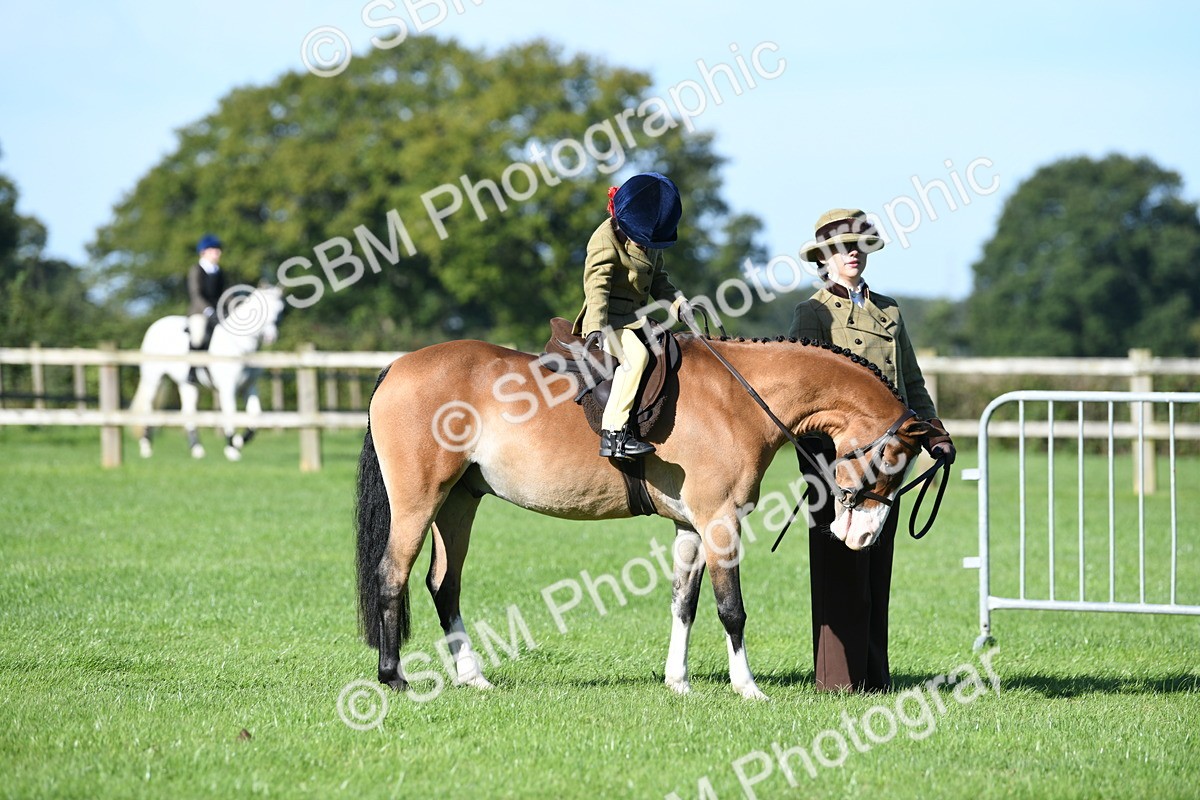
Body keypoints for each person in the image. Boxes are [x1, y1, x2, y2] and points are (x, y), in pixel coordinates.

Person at [788, 208, 955, 692]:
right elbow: (802, 395)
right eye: (842, 248)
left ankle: (876, 678)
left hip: (890, 458)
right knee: (840, 569)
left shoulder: (890, 310)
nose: (853, 254)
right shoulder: (812, 313)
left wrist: (934, 432)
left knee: (876, 569)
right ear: (824, 258)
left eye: (859, 245)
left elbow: (912, 382)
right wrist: (819, 465)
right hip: (834, 460)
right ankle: (839, 680)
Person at [572, 173, 691, 460]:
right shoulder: (604, 240)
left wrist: (679, 305)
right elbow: (597, 287)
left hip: (637, 319)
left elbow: (659, 280)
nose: (645, 246)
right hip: (609, 321)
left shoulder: (650, 238)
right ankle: (614, 434)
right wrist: (595, 327)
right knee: (636, 357)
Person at [187, 234, 227, 383]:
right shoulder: (196, 270)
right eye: (214, 250)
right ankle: (191, 370)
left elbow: (225, 293)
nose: (218, 253)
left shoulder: (219, 271)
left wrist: (235, 304)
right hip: (200, 311)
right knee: (198, 336)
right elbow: (195, 294)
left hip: (217, 311)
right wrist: (208, 311)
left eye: (218, 250)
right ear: (204, 252)